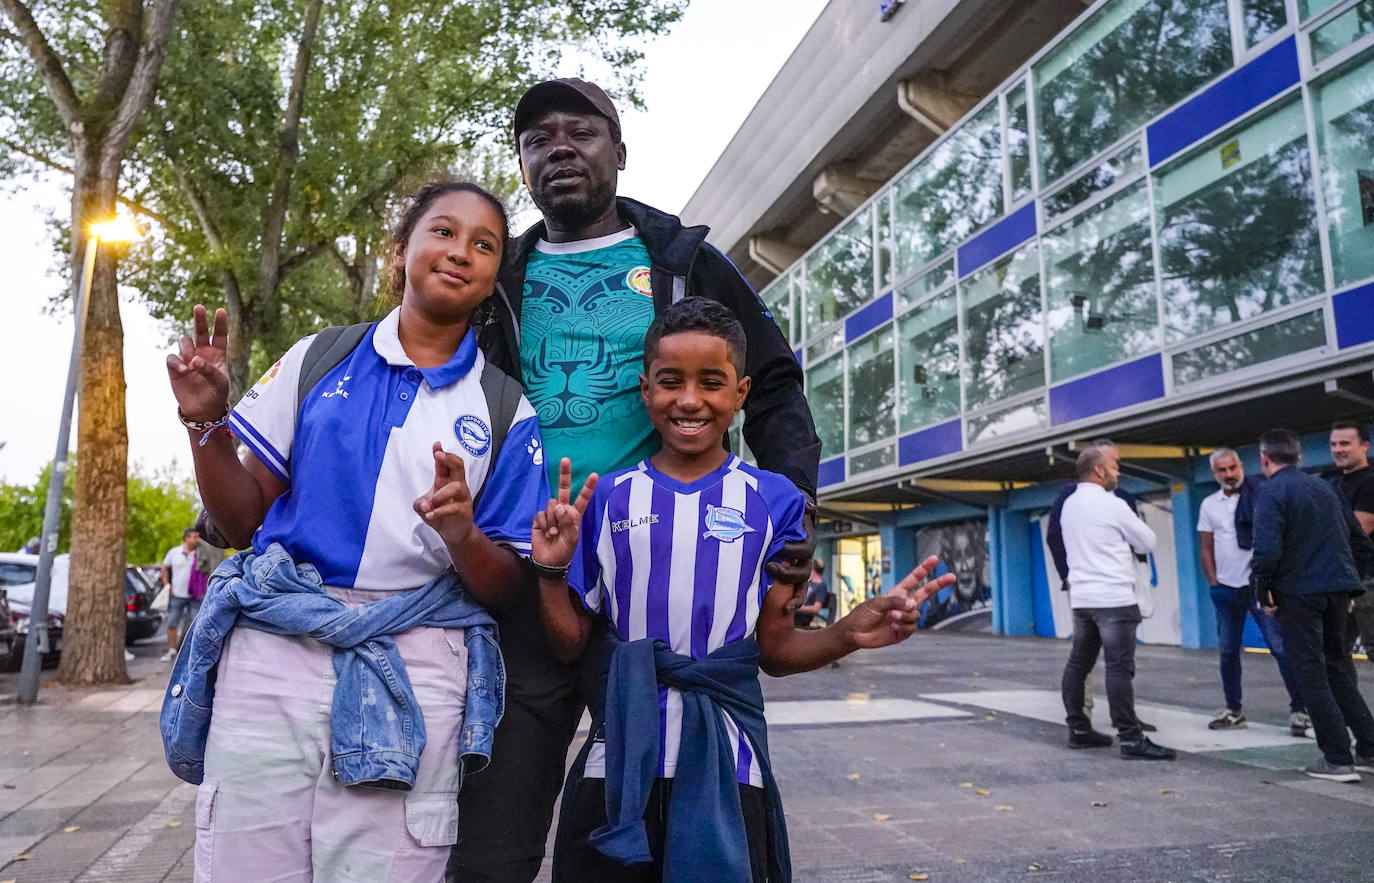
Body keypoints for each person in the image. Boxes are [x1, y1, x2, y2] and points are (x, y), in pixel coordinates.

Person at [453, 78, 822, 881]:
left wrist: (792, 516)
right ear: (520, 164)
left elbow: (776, 383)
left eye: (581, 131)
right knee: (493, 841)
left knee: (666, 825)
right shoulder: (498, 279)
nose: (558, 147)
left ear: (618, 150)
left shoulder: (683, 263)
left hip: (636, 600)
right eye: (536, 137)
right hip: (521, 575)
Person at [161, 180, 548, 879]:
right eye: (443, 232)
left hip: (418, 657)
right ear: (399, 251)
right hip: (276, 649)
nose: (461, 251)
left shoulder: (503, 409)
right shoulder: (319, 359)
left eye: (484, 243)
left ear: (495, 277)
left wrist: (462, 532)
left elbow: (508, 589)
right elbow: (240, 518)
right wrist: (206, 425)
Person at [528, 299, 956, 880]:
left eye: (712, 382)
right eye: (670, 381)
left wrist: (849, 632)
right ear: (645, 388)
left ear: (740, 392)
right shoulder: (607, 499)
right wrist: (550, 573)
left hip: (731, 765)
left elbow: (775, 651)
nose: (689, 400)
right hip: (621, 759)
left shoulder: (777, 501)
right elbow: (569, 644)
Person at [1251, 428, 1374, 783]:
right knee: (1337, 665)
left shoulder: (1271, 492)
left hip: (1299, 594)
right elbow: (1361, 544)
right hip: (1338, 589)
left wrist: (1264, 593)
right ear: (1299, 457)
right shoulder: (1328, 488)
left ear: (1264, 458)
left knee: (1310, 671)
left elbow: (1268, 550)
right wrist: (1349, 582)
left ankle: (1336, 757)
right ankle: (1368, 747)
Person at [1058, 440, 1175, 760]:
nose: (1118, 470)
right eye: (1115, 464)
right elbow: (1147, 541)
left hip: (1082, 599)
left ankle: (1078, 729)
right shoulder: (1111, 504)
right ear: (1098, 469)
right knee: (1119, 667)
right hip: (1114, 598)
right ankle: (1130, 738)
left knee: (1079, 663)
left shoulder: (1070, 503)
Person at [1197, 448, 1308, 734]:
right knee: (1227, 652)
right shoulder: (1209, 504)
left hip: (1261, 588)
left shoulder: (1264, 494)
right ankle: (1234, 710)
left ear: (1241, 467)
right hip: (1226, 589)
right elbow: (1206, 547)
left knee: (1281, 648)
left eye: (1233, 467)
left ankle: (1300, 710)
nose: (1229, 474)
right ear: (1215, 474)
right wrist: (1213, 582)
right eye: (1222, 470)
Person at [1328, 422, 1374, 662]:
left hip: (1369, 582)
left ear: (1364, 446)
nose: (1338, 449)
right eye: (1334, 444)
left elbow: (1357, 532)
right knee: (1334, 656)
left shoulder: (1370, 482)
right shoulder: (1334, 484)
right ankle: (1348, 702)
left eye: (1345, 443)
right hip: (1343, 582)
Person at [160, 527, 200, 661]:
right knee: (172, 622)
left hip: (195, 596)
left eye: (197, 537)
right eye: (194, 537)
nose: (197, 540)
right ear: (186, 538)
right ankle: (171, 650)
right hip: (177, 594)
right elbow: (164, 568)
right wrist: (167, 585)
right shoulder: (174, 552)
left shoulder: (200, 554)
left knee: (194, 625)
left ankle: (187, 652)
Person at [794, 559, 828, 628]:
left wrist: (799, 608)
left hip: (804, 617)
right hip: (798, 614)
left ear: (812, 570)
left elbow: (816, 608)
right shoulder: (809, 583)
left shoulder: (821, 586)